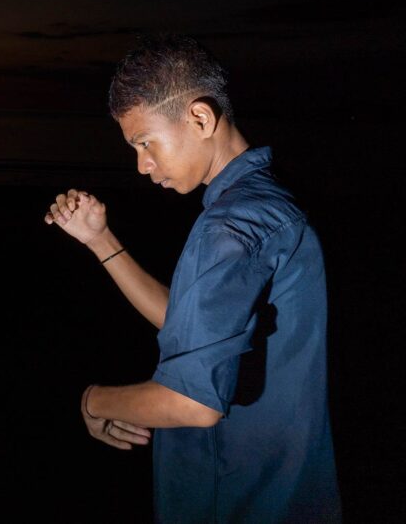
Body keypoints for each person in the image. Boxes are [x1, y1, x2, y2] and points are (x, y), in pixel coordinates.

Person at [45, 35, 340, 522]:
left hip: (236, 499)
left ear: (200, 119)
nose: (142, 166)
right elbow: (192, 324)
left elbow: (191, 400)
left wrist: (95, 401)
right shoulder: (264, 204)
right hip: (285, 492)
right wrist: (99, 240)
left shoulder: (229, 227)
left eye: (145, 143)